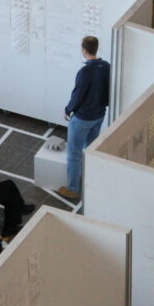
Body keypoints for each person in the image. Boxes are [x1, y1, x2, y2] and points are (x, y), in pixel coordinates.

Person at [58, 36, 111, 200]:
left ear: (84, 50)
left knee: (74, 152)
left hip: (83, 118)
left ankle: (73, 188)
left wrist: (68, 109)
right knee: (90, 149)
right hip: (99, 115)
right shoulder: (106, 66)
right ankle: (91, 181)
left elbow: (78, 94)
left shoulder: (85, 71)